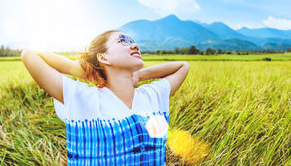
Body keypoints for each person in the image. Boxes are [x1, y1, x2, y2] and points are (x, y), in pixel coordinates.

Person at [21, 30, 190, 165]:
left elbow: (183, 66)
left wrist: (138, 76)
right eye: (123, 40)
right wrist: (88, 73)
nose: (135, 45)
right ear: (103, 57)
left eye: (132, 41)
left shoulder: (151, 96)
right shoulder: (83, 98)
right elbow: (29, 54)